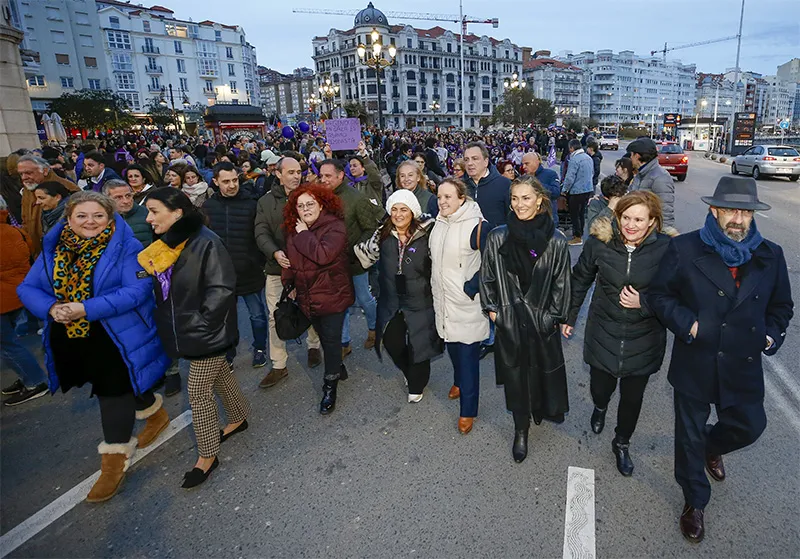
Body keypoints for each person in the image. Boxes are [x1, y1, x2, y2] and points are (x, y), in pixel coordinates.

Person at [646, 176, 794, 543]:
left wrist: (771, 335)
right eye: (730, 210)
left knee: (751, 425)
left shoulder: (770, 255)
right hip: (697, 358)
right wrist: (689, 325)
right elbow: (660, 296)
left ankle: (712, 447)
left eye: (746, 213)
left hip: (742, 362)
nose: (738, 220)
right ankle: (694, 501)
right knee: (689, 435)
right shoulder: (684, 248)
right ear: (714, 210)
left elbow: (781, 306)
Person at [17, 191, 171, 502]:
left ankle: (114, 461)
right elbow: (28, 287)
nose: (90, 222)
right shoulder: (54, 248)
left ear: (109, 218)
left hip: (118, 335)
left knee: (111, 391)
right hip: (74, 334)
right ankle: (155, 413)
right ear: (69, 218)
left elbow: (137, 290)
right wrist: (51, 308)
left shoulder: (126, 246)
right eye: (82, 216)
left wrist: (86, 308)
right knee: (125, 383)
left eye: (98, 216)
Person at [140, 188, 250, 488]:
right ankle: (239, 417)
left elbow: (221, 290)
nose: (148, 218)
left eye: (154, 211)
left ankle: (207, 455)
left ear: (177, 213)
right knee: (222, 375)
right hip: (189, 330)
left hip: (206, 332)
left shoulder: (207, 242)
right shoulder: (168, 241)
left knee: (198, 392)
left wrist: (200, 325)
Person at [563, 191, 672, 475]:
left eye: (639, 219)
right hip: (604, 331)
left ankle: (622, 442)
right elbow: (580, 278)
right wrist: (569, 316)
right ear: (617, 216)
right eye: (626, 217)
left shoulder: (667, 249)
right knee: (601, 389)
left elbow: (677, 294)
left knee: (632, 399)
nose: (631, 225)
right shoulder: (599, 243)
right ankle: (600, 407)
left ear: (652, 222)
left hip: (644, 338)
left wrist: (645, 303)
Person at [480, 177, 571, 463]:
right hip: (510, 321)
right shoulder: (498, 236)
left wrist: (551, 318)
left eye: (526, 198)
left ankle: (540, 408)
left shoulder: (556, 241)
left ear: (540, 200)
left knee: (541, 373)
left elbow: (562, 285)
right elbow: (487, 278)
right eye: (515, 198)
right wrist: (494, 312)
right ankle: (521, 429)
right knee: (516, 378)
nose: (519, 204)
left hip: (541, 322)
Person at [356, 190, 441, 403]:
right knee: (392, 343)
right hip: (391, 300)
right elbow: (364, 258)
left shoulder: (427, 233)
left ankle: (417, 383)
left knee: (419, 345)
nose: (398, 214)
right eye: (394, 209)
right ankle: (408, 369)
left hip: (421, 300)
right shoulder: (383, 234)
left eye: (404, 209)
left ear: (413, 212)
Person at [282, 183, 354, 414]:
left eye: (310, 204)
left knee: (331, 341)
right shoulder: (295, 229)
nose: (305, 209)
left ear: (321, 205)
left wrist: (304, 234)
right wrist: (288, 283)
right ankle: (337, 365)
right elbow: (291, 261)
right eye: (300, 205)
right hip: (308, 296)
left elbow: (322, 255)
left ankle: (329, 386)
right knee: (324, 337)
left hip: (333, 295)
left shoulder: (335, 227)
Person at [255, 155, 323, 387]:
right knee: (276, 315)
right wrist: (274, 252)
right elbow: (260, 232)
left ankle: (314, 346)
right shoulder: (265, 202)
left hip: (307, 267)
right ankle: (279, 364)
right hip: (277, 268)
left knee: (311, 308)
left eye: (298, 172)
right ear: (278, 174)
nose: (296, 176)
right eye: (291, 172)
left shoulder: (310, 197)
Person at [429, 177, 490, 435]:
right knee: (452, 348)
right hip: (443, 301)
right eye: (439, 197)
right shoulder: (438, 223)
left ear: (461, 198)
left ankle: (468, 410)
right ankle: (458, 381)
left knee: (468, 359)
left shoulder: (478, 226)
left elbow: (493, 262)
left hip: (467, 305)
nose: (442, 202)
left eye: (448, 197)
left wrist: (472, 287)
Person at [203, 162, 268, 369]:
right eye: (226, 181)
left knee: (257, 314)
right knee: (227, 318)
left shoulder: (252, 204)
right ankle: (229, 353)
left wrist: (257, 262)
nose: (232, 185)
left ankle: (260, 348)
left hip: (249, 272)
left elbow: (260, 235)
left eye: (234, 180)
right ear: (215, 182)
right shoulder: (208, 207)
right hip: (221, 275)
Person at [318, 159, 384, 357]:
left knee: (364, 298)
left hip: (354, 262)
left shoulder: (356, 198)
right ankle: (344, 343)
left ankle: (374, 329)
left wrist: (355, 251)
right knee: (340, 304)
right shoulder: (319, 197)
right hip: (331, 263)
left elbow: (370, 229)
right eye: (321, 176)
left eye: (328, 176)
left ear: (340, 175)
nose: (323, 180)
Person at [1, 196, 48, 406]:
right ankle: (28, 375)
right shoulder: (15, 231)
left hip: (4, 297)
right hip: (18, 293)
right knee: (9, 341)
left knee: (7, 344)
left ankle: (34, 381)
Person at [17, 154, 80, 257]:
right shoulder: (28, 190)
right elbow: (25, 220)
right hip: (39, 254)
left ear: (45, 171)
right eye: (21, 174)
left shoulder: (69, 188)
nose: (24, 178)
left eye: (29, 173)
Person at [462, 142, 511, 229]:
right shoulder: (459, 186)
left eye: (475, 158)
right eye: (466, 159)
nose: (469, 163)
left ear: (485, 162)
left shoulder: (504, 184)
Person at [628, 138, 675, 228]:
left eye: (631, 155)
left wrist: (662, 233)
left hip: (652, 230)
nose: (630, 158)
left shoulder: (660, 177)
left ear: (637, 156)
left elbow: (665, 211)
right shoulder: (640, 174)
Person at [561, 139, 595, 246]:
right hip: (587, 189)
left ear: (571, 148)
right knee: (581, 213)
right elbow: (592, 173)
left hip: (576, 191)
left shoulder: (574, 159)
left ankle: (577, 237)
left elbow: (570, 177)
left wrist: (564, 190)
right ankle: (580, 233)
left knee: (574, 214)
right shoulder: (588, 158)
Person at [103, 179, 152, 248]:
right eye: (118, 197)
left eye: (128, 196)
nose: (126, 201)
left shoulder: (148, 214)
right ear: (107, 200)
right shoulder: (101, 219)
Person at [521, 151, 561, 228]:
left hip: (548, 220)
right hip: (529, 221)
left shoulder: (550, 174)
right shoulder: (523, 178)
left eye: (526, 164)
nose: (523, 167)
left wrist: (537, 184)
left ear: (536, 162)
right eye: (522, 164)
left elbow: (556, 192)